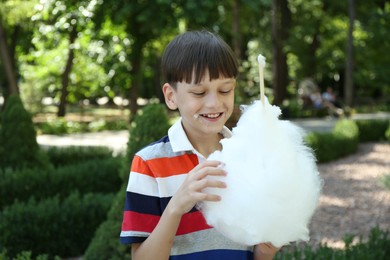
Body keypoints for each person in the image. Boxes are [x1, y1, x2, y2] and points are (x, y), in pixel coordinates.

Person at [120, 30, 279, 260]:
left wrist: (265, 251)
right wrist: (176, 206)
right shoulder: (149, 164)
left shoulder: (250, 157)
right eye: (199, 92)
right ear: (171, 96)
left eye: (225, 90)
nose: (214, 103)